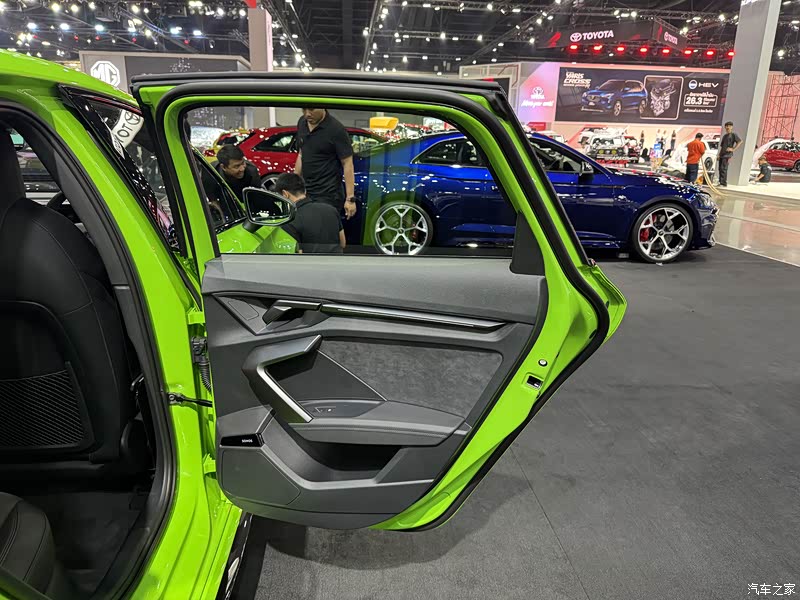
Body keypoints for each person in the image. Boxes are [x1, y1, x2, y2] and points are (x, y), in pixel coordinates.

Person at [294, 108, 357, 219]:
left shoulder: (336, 129)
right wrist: (294, 182)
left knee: (324, 227)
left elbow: (347, 163)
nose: (307, 114)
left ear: (323, 107)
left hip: (328, 194)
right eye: (304, 109)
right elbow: (301, 154)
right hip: (307, 192)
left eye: (312, 109)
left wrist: (350, 199)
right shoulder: (302, 123)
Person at [275, 173, 345, 254]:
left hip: (310, 262)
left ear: (285, 194)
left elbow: (298, 255)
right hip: (337, 260)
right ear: (304, 191)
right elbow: (343, 243)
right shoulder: (331, 210)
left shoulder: (290, 220)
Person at [718, 121, 743, 187]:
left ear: (731, 127)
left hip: (727, 155)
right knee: (720, 168)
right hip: (722, 154)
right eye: (726, 126)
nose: (727, 127)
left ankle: (723, 183)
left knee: (724, 168)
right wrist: (719, 155)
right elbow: (722, 146)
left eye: (729, 126)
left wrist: (733, 149)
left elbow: (740, 141)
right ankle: (720, 181)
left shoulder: (733, 134)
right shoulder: (724, 136)